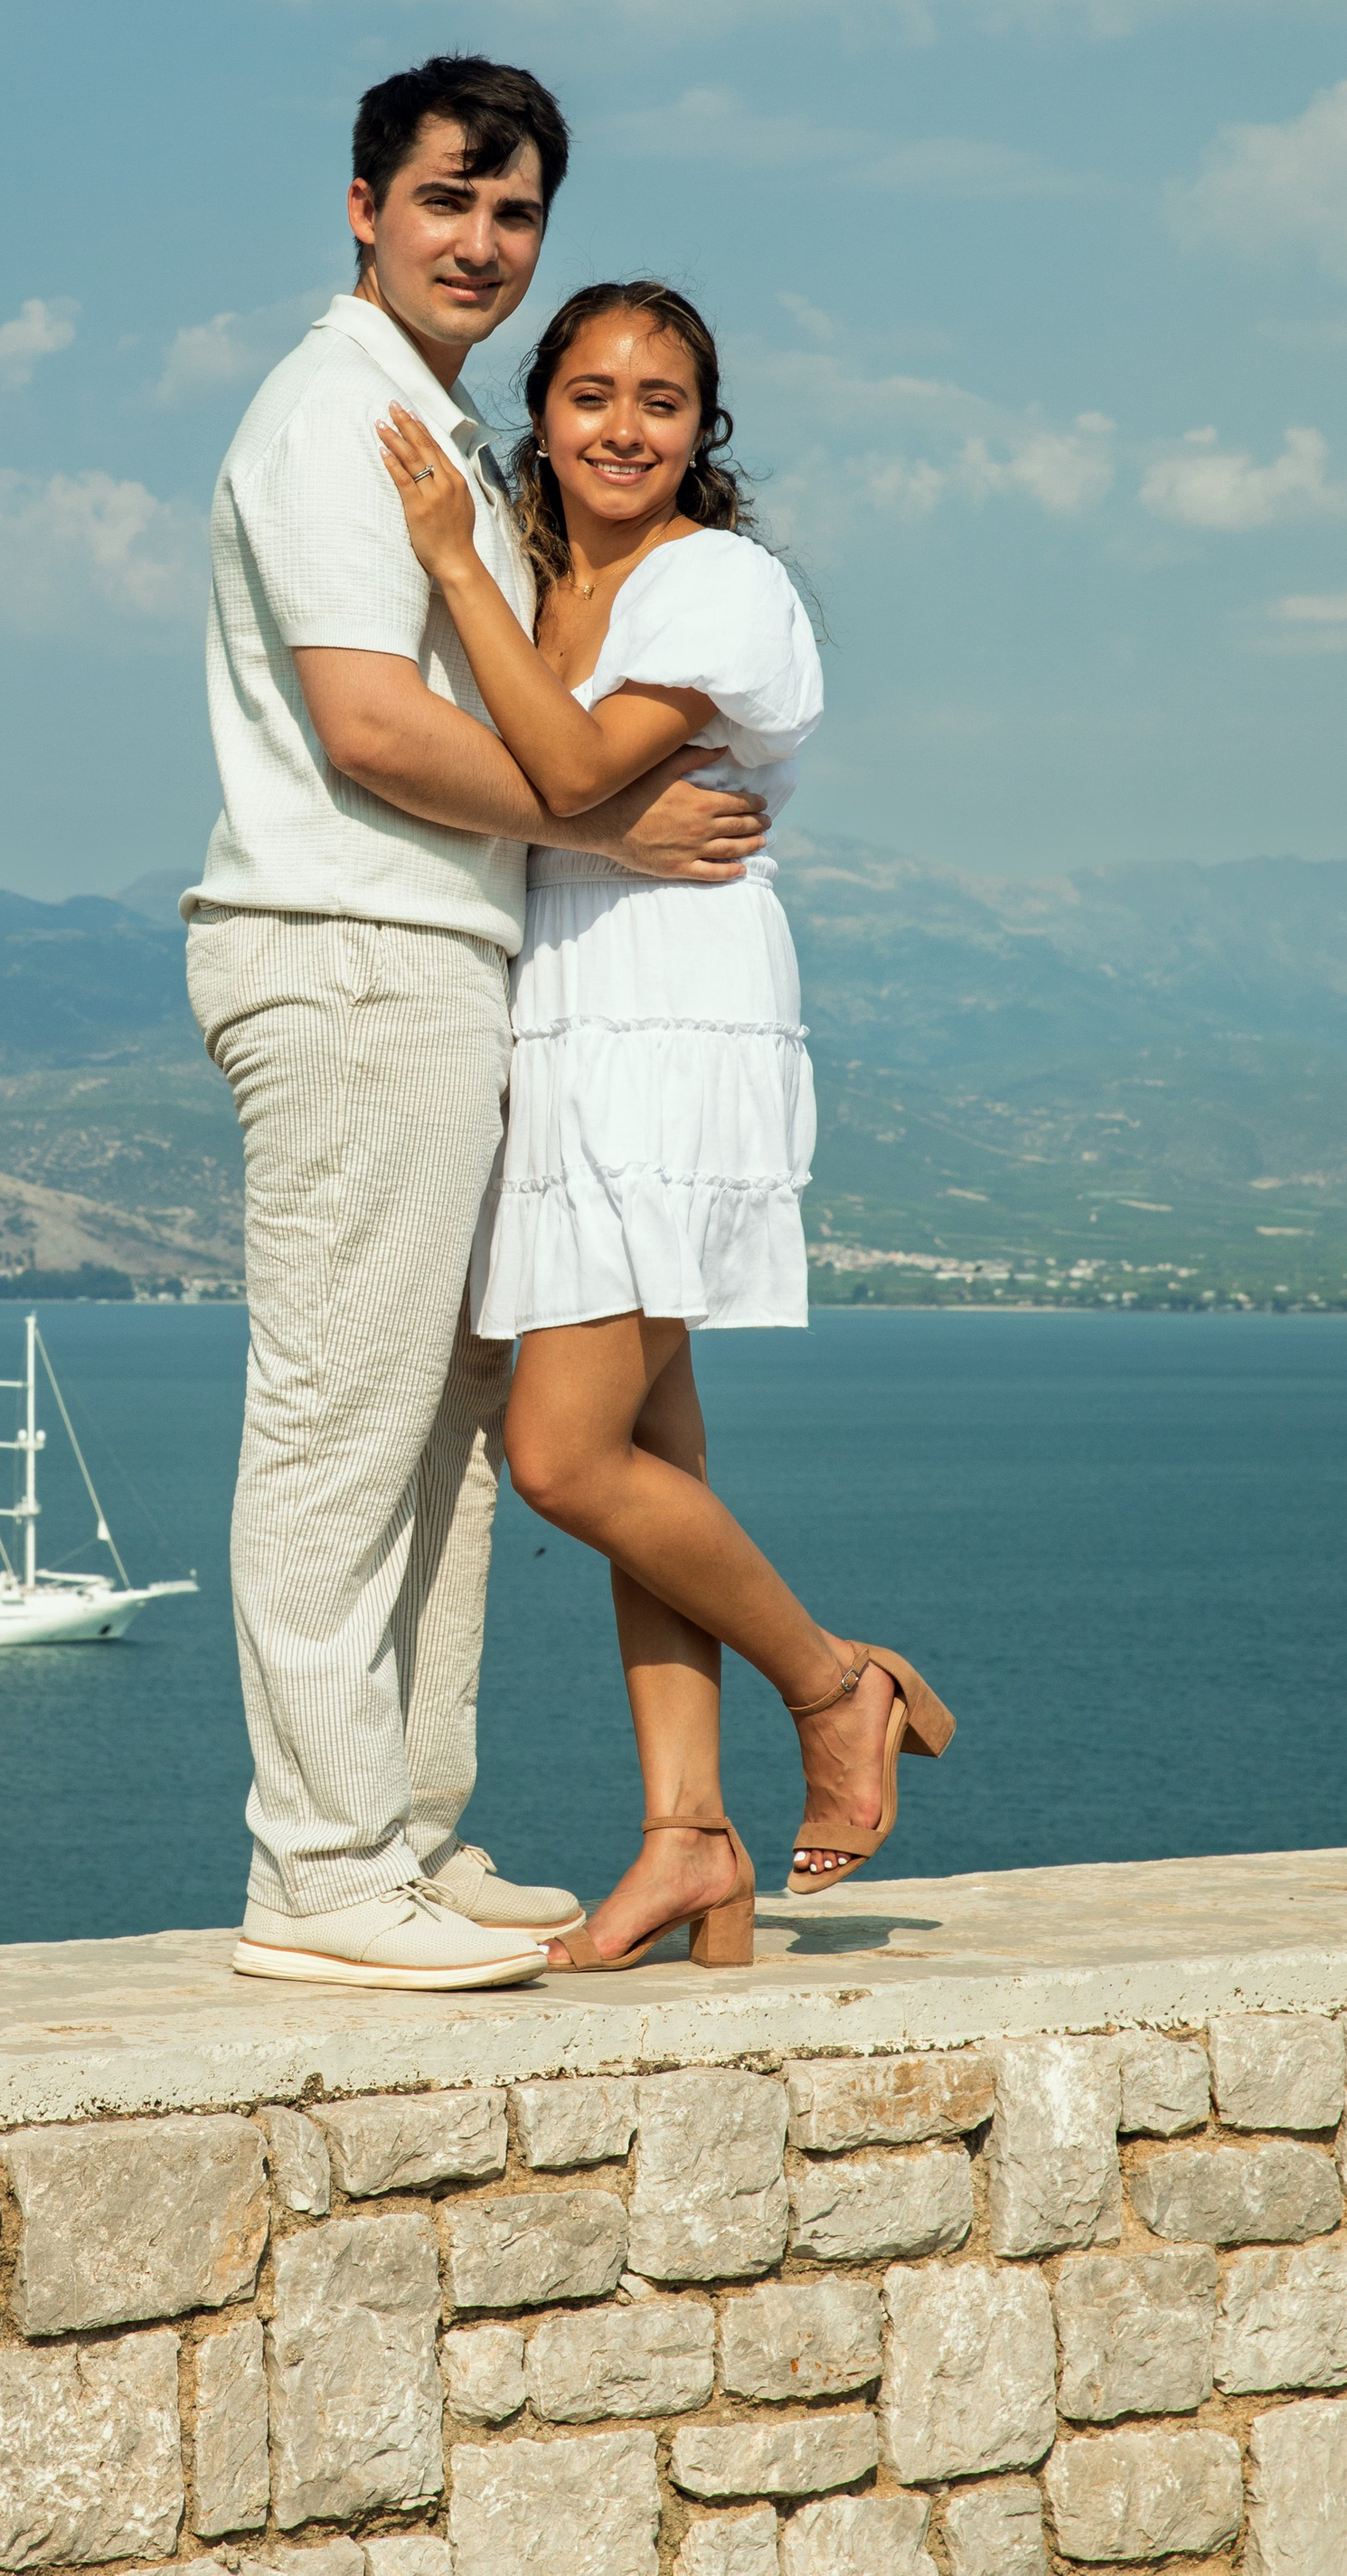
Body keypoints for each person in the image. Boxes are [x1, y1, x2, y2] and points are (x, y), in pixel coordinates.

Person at [186, 58, 777, 1993]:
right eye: (448, 200)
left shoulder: (424, 426)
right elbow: (367, 725)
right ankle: (318, 1872)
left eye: (513, 211)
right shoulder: (330, 417)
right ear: (361, 205)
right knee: (338, 1429)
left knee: (436, 1433)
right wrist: (603, 814)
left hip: (436, 961)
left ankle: (406, 1837)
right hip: (348, 947)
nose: (481, 243)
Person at [376, 276, 955, 1972]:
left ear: (707, 432)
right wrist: (496, 594)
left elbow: (558, 777)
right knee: (652, 1459)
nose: (624, 426)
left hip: (667, 1018)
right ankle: (688, 1844)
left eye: (663, 399)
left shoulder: (718, 582)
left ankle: (838, 1685)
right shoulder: (557, 584)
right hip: (560, 1013)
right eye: (592, 393)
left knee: (562, 1454)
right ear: (542, 410)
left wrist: (452, 567)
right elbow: (561, 795)